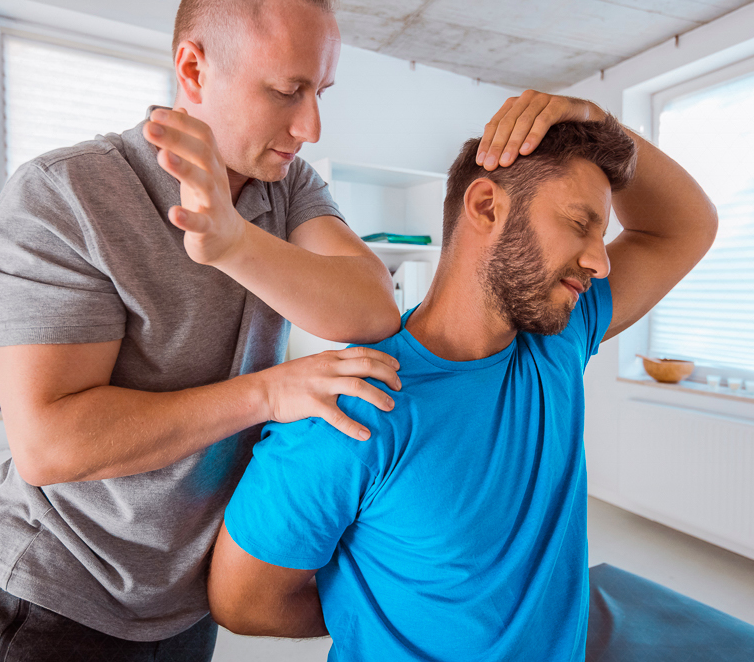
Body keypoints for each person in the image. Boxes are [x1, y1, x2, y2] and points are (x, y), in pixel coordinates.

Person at [0, 0, 407, 660]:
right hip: (54, 598)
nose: (310, 126)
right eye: (285, 91)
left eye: (319, 91)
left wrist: (232, 243)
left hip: (186, 600)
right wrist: (267, 394)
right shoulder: (67, 192)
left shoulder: (286, 185)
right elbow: (49, 444)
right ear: (192, 67)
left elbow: (370, 308)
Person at [207, 93, 719, 661]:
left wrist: (597, 119)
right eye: (580, 224)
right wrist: (378, 615)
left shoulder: (558, 339)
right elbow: (243, 602)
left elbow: (685, 227)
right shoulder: (348, 410)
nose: (600, 260)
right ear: (485, 206)